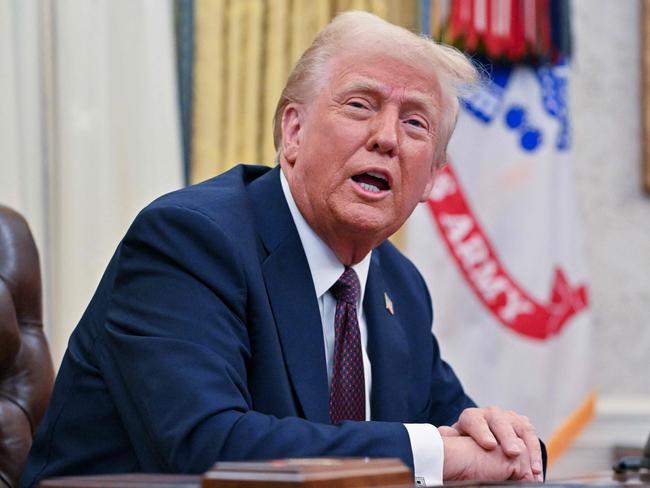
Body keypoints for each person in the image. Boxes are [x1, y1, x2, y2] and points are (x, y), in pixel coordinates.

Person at [22, 11, 544, 488]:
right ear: (292, 132)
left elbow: (469, 439)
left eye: (415, 122)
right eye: (361, 105)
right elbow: (209, 449)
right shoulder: (188, 242)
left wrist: (505, 441)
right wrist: (434, 452)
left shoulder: (399, 286)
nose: (387, 137)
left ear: (433, 177)